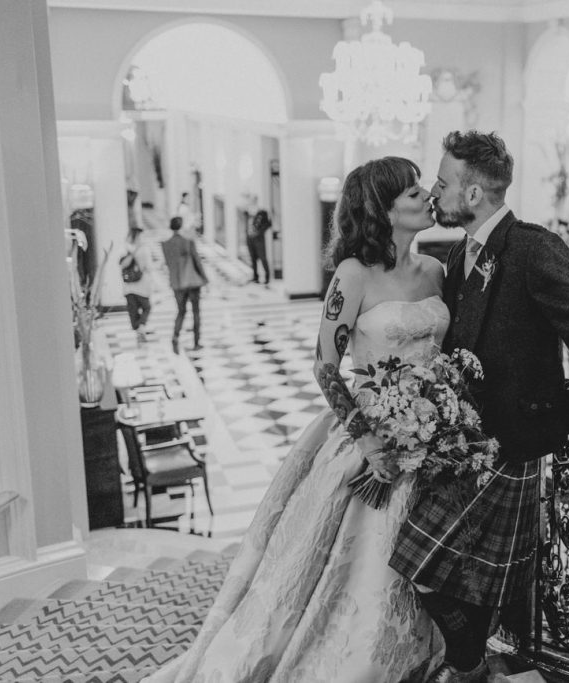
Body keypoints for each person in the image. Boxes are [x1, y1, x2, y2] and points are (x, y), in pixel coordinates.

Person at [142, 156, 444, 683]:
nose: (426, 196)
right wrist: (368, 438)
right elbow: (326, 366)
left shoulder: (436, 271)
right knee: (358, 571)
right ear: (381, 208)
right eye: (412, 191)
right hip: (368, 440)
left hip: (433, 441)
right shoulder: (353, 276)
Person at [389, 130, 569, 683]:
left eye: (444, 182)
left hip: (512, 443)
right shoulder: (455, 254)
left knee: (436, 570)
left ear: (473, 195)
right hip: (463, 447)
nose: (434, 191)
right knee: (432, 572)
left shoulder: (531, 246)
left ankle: (470, 664)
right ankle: (472, 663)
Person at [161, 216, 208, 355]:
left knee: (181, 311)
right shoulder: (188, 242)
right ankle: (196, 341)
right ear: (181, 227)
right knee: (196, 312)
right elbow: (197, 261)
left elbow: (169, 264)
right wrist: (205, 279)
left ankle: (175, 337)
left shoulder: (166, 244)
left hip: (177, 282)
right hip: (192, 281)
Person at [119, 226, 153, 344]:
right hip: (142, 285)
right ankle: (141, 328)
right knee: (146, 307)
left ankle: (139, 331)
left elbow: (121, 265)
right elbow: (149, 268)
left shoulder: (125, 248)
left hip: (129, 287)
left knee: (133, 311)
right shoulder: (144, 250)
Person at [247, 208, 272, 284]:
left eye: (261, 216)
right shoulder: (253, 218)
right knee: (253, 259)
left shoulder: (266, 223)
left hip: (259, 241)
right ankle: (255, 277)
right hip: (251, 240)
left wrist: (257, 233)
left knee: (263, 259)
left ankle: (267, 277)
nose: (259, 217)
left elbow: (267, 226)